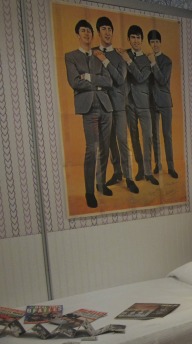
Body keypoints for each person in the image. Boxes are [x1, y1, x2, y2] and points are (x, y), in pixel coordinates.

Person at [64, 19, 113, 209]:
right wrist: (97, 84)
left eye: (89, 31)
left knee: (105, 148)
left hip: (105, 106)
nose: (87, 34)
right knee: (92, 149)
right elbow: (74, 82)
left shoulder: (98, 55)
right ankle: (89, 191)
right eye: (83, 31)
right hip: (88, 108)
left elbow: (108, 81)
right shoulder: (71, 56)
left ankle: (101, 184)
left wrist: (90, 77)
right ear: (78, 34)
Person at [94, 16, 139, 194]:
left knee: (122, 140)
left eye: (109, 29)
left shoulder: (120, 55)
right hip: (102, 105)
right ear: (98, 32)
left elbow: (120, 80)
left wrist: (105, 61)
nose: (107, 32)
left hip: (119, 104)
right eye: (103, 28)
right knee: (109, 142)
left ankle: (129, 178)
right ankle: (117, 173)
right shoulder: (94, 54)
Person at [118, 25, 158, 185]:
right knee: (133, 137)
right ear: (129, 39)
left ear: (142, 41)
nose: (136, 41)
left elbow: (141, 78)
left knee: (147, 136)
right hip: (128, 103)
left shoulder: (148, 59)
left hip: (143, 103)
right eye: (133, 37)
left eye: (138, 38)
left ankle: (148, 171)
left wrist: (128, 60)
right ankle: (141, 169)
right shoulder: (124, 55)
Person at [148, 29, 178, 178]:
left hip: (165, 101)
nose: (154, 45)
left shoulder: (167, 61)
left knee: (167, 135)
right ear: (149, 43)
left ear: (160, 43)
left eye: (157, 42)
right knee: (155, 135)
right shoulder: (146, 60)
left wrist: (153, 63)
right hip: (152, 102)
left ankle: (171, 167)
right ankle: (157, 165)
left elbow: (162, 80)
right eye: (152, 42)